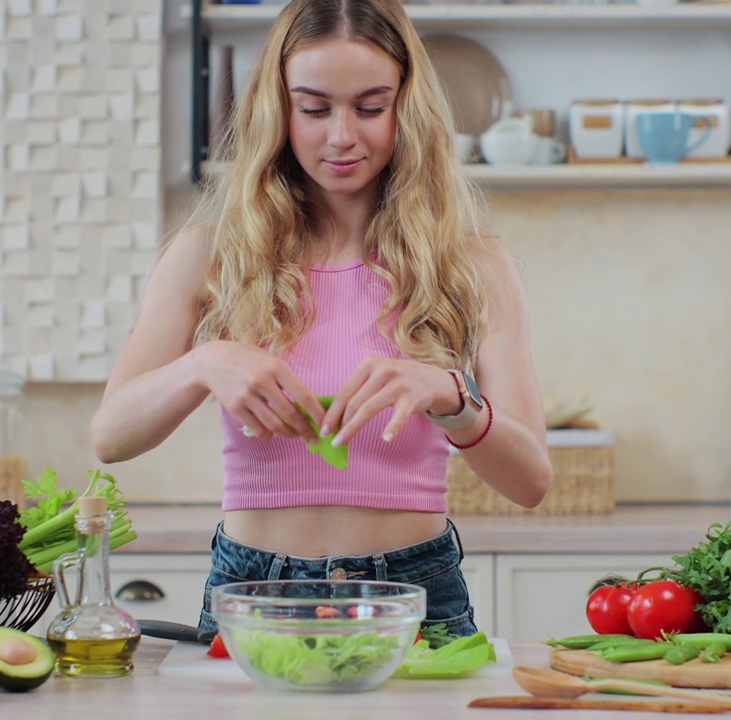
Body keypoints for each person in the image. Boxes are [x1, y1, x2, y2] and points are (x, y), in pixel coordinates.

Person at [91, 0, 551, 636]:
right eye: (313, 108)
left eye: (370, 107)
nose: (341, 136)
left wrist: (450, 396)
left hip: (413, 591)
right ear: (278, 110)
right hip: (254, 591)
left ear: (406, 109)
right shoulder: (209, 253)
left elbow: (530, 480)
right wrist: (205, 362)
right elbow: (111, 436)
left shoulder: (473, 263)